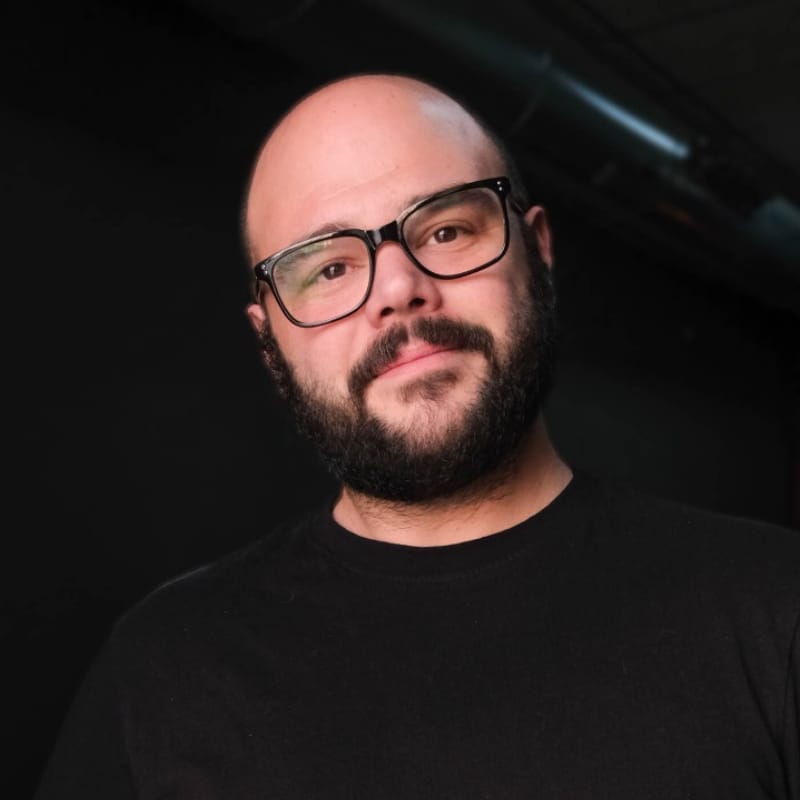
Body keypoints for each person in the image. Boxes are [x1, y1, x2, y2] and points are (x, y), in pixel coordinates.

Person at [36, 74, 799, 799]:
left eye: (446, 230)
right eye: (329, 269)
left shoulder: (773, 604)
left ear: (538, 251)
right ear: (268, 342)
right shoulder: (157, 670)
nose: (399, 289)